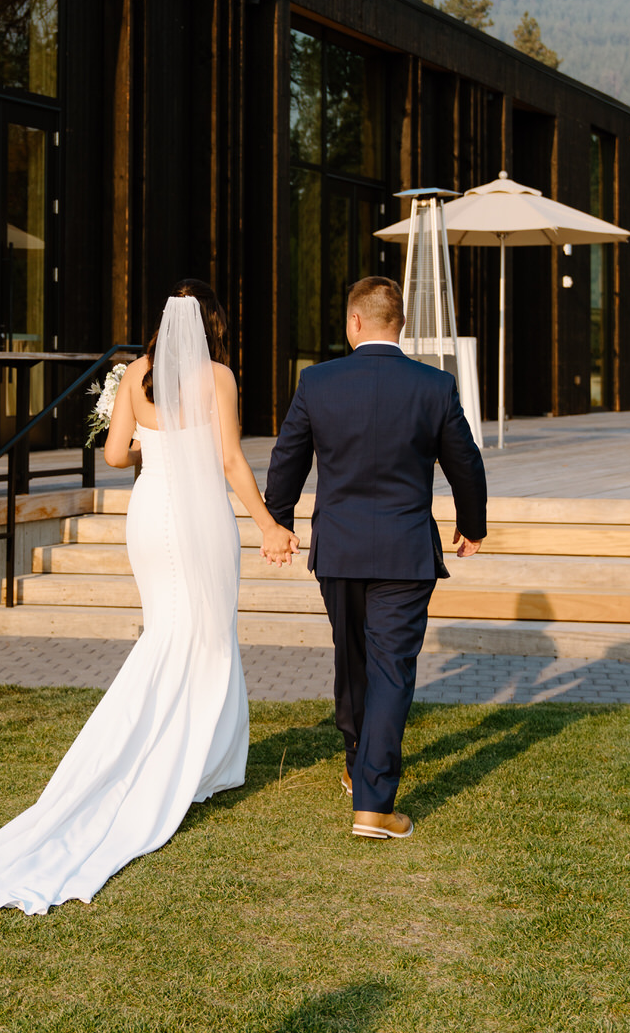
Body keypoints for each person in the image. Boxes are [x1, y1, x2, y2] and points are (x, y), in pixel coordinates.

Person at [0, 278, 294, 914]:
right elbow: (231, 462)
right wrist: (267, 524)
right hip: (200, 519)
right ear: (212, 326)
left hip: (149, 519)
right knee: (203, 633)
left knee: (170, 630)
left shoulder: (135, 374)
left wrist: (156, 439)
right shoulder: (221, 379)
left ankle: (190, 753)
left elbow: (116, 454)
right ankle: (194, 759)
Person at [262, 276, 487, 841]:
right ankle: (372, 799)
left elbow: (287, 457)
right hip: (405, 551)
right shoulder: (434, 386)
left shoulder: (317, 381)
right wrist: (472, 525)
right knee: (390, 670)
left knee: (353, 659)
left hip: (338, 549)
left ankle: (360, 771)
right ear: (401, 325)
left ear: (353, 323)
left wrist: (277, 523)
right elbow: (466, 461)